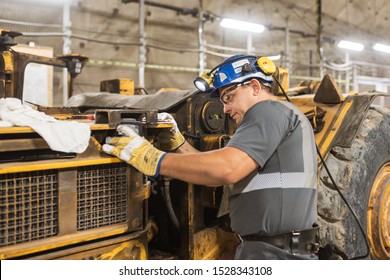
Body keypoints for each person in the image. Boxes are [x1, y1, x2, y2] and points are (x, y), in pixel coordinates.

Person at [102, 54, 319, 260]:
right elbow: (219, 166)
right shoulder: (282, 114)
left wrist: (152, 158)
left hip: (276, 254)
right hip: (274, 249)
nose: (224, 109)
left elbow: (226, 169)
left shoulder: (267, 111)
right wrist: (179, 145)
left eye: (229, 97)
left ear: (254, 86)